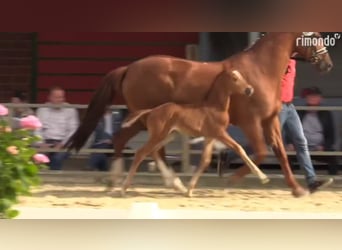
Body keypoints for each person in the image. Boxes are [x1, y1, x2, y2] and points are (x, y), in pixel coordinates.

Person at [280, 59, 333, 193]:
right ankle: (230, 155)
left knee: (301, 142)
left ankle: (312, 181)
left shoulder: (293, 59)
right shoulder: (278, 57)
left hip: (289, 105)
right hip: (278, 105)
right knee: (266, 142)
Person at [287, 86, 339, 175]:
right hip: (301, 147)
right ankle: (291, 178)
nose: (312, 98)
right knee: (286, 155)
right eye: (310, 96)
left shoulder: (326, 113)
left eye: (315, 96)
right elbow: (290, 130)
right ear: (306, 98)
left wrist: (324, 146)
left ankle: (333, 179)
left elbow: (331, 135)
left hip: (318, 148)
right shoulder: (300, 112)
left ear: (320, 98)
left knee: (333, 156)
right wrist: (291, 143)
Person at [35, 86, 79, 170]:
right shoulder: (42, 110)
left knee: (57, 158)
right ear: (50, 98)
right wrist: (41, 143)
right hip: (45, 142)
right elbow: (37, 129)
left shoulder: (70, 110)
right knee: (39, 157)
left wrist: (63, 144)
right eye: (56, 97)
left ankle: (54, 180)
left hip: (64, 143)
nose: (60, 100)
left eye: (61, 97)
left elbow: (73, 130)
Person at [87, 107, 123, 171]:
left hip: (113, 142)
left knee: (100, 150)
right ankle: (104, 170)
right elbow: (96, 131)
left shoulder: (117, 114)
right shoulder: (97, 116)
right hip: (99, 142)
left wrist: (111, 140)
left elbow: (119, 130)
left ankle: (91, 166)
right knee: (101, 153)